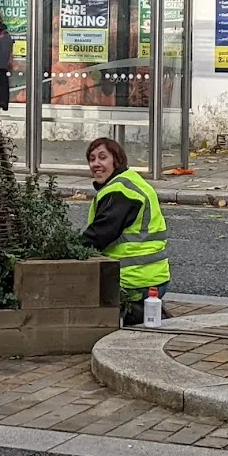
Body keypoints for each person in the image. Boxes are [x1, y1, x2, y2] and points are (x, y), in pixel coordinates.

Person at [80, 137, 171, 325]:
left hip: (133, 279)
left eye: (102, 157)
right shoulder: (129, 182)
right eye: (91, 158)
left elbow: (99, 235)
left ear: (117, 160)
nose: (96, 163)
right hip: (152, 275)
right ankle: (147, 314)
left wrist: (67, 251)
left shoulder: (121, 191)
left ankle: (134, 316)